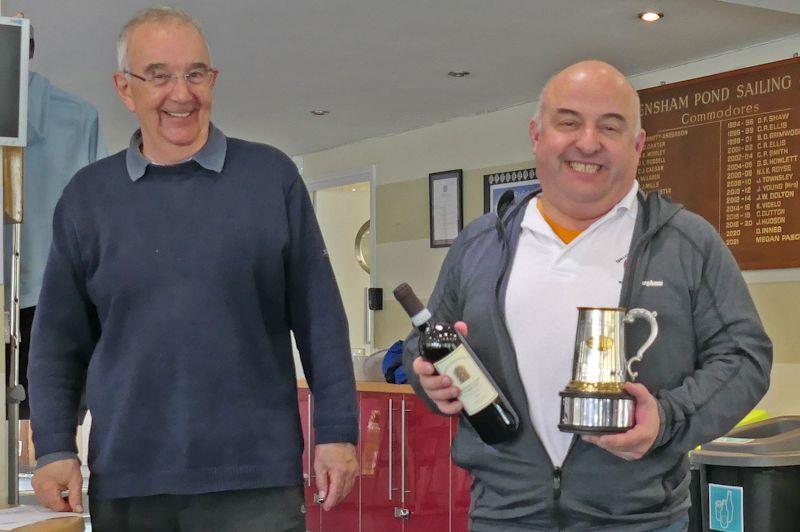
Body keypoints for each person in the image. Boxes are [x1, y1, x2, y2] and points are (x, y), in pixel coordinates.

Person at [403, 60, 772, 531]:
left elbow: (745, 357)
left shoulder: (686, 242)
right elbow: (425, 343)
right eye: (569, 122)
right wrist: (430, 380)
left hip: (640, 520)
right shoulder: (480, 243)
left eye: (610, 127)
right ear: (537, 134)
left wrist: (668, 419)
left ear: (638, 145)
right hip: (505, 514)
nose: (588, 142)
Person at [28, 7, 358, 531]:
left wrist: (337, 430)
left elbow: (320, 318)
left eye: (195, 74)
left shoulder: (271, 178)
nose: (181, 94)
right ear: (124, 88)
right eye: (158, 76)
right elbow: (56, 343)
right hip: (130, 479)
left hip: (256, 483)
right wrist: (52, 446)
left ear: (213, 79)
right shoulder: (87, 199)